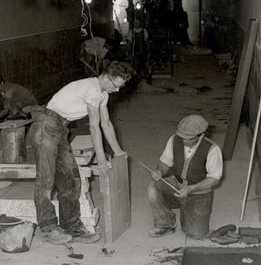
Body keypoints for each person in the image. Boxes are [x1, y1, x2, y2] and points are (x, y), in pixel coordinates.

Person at [30, 61, 134, 245]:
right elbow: (94, 127)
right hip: (45, 125)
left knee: (71, 179)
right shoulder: (92, 89)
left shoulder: (103, 93)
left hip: (61, 128)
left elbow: (106, 124)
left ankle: (72, 227)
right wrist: (101, 159)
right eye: (115, 85)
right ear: (106, 76)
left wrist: (118, 152)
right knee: (46, 180)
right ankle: (48, 229)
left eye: (120, 87)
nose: (117, 90)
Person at [146, 114, 222, 239]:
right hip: (177, 186)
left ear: (201, 135)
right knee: (154, 186)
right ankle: (165, 224)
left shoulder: (212, 149)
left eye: (189, 138)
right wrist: (160, 171)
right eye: (182, 137)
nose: (184, 141)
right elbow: (165, 162)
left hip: (199, 193)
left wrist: (191, 189)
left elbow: (213, 180)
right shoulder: (174, 140)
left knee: (196, 234)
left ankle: (188, 209)